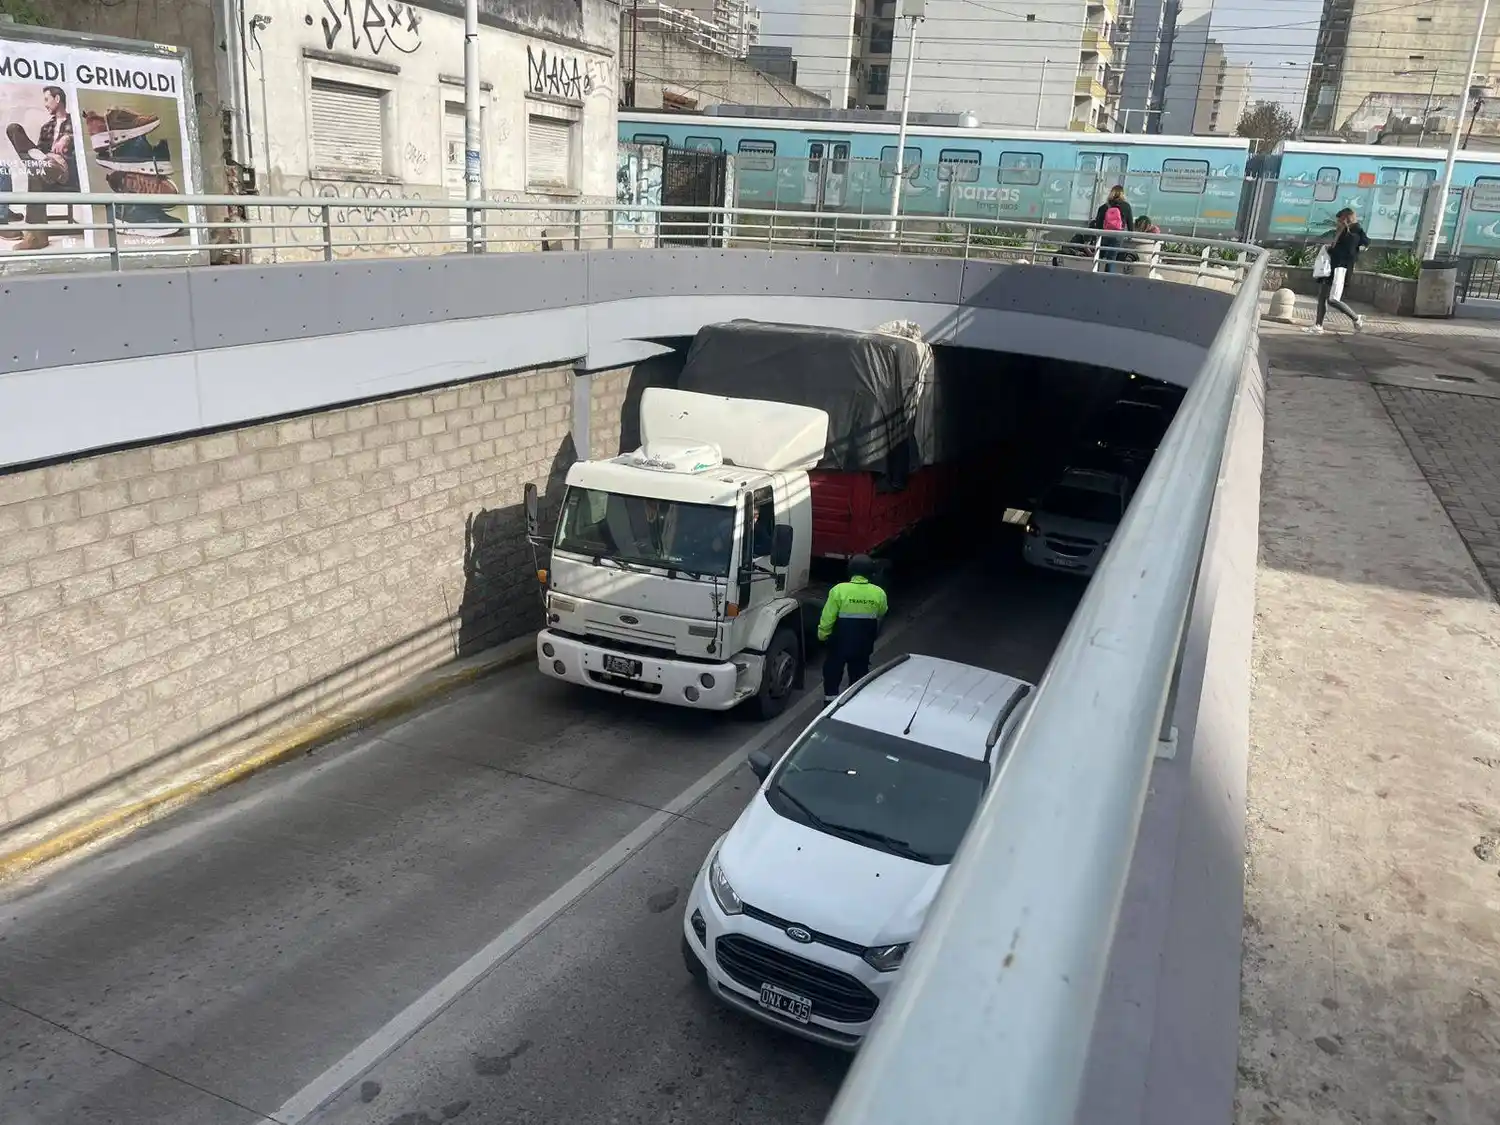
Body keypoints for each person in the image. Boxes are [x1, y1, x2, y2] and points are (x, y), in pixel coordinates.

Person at [3, 85, 80, 252]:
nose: (45, 104)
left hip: (65, 171)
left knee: (37, 170)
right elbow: (39, 150)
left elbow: (85, 143)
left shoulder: (76, 122)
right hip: (45, 163)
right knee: (14, 129)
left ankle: (36, 236)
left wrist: (68, 138)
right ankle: (39, 164)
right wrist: (41, 157)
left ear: (57, 99)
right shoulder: (46, 127)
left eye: (47, 99)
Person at [817, 555, 889, 702]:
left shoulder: (839, 590)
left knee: (833, 671)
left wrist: (823, 635)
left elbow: (827, 617)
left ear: (850, 570)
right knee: (859, 674)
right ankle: (854, 702)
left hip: (839, 642)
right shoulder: (879, 592)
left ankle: (830, 701)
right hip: (863, 643)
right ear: (871, 572)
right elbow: (882, 611)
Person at [1307, 207, 1369, 335]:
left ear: (1346, 219)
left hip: (1340, 268)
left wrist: (1331, 250)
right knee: (1322, 296)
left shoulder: (1353, 232)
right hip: (1332, 267)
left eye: (1340, 220)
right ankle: (1318, 325)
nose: (1338, 223)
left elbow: (1349, 251)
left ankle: (1356, 318)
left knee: (1332, 299)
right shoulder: (1345, 231)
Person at [1093, 185, 1134, 273]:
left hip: (1104, 235)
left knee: (1099, 257)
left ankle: (1096, 274)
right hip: (1118, 236)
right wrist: (1130, 236)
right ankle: (1108, 277)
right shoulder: (1126, 206)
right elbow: (1130, 223)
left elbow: (1098, 223)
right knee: (1111, 258)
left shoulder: (1104, 207)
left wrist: (1098, 235)